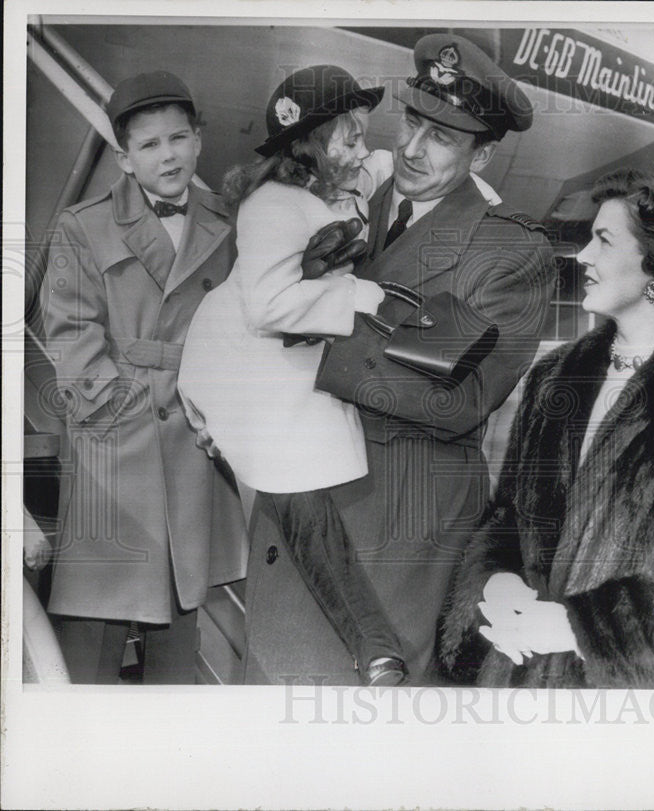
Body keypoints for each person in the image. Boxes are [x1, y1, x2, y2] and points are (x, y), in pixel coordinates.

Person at [241, 34, 556, 685]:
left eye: (442, 136)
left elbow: (456, 399)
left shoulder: (504, 251)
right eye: (413, 120)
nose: (412, 148)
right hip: (296, 526)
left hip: (391, 553)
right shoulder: (349, 205)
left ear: (485, 153)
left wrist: (307, 347)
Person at [438, 169, 654, 689]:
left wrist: (581, 628)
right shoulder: (555, 378)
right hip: (523, 686)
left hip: (626, 714)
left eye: (602, 240)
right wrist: (497, 585)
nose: (582, 256)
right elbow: (509, 519)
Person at [179, 65, 418, 685]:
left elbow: (386, 166)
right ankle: (372, 646)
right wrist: (364, 296)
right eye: (349, 138)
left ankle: (372, 646)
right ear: (310, 146)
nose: (362, 149)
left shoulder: (341, 175)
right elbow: (266, 308)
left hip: (282, 361)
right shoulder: (272, 207)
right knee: (298, 498)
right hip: (239, 359)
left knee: (301, 499)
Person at [41, 71, 246, 684]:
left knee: (181, 614)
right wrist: (124, 414)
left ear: (199, 142)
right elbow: (72, 335)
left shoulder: (227, 221)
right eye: (150, 145)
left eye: (178, 138)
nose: (168, 155)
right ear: (125, 159)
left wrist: (222, 416)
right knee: (95, 620)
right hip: (117, 438)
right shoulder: (84, 224)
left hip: (196, 435)